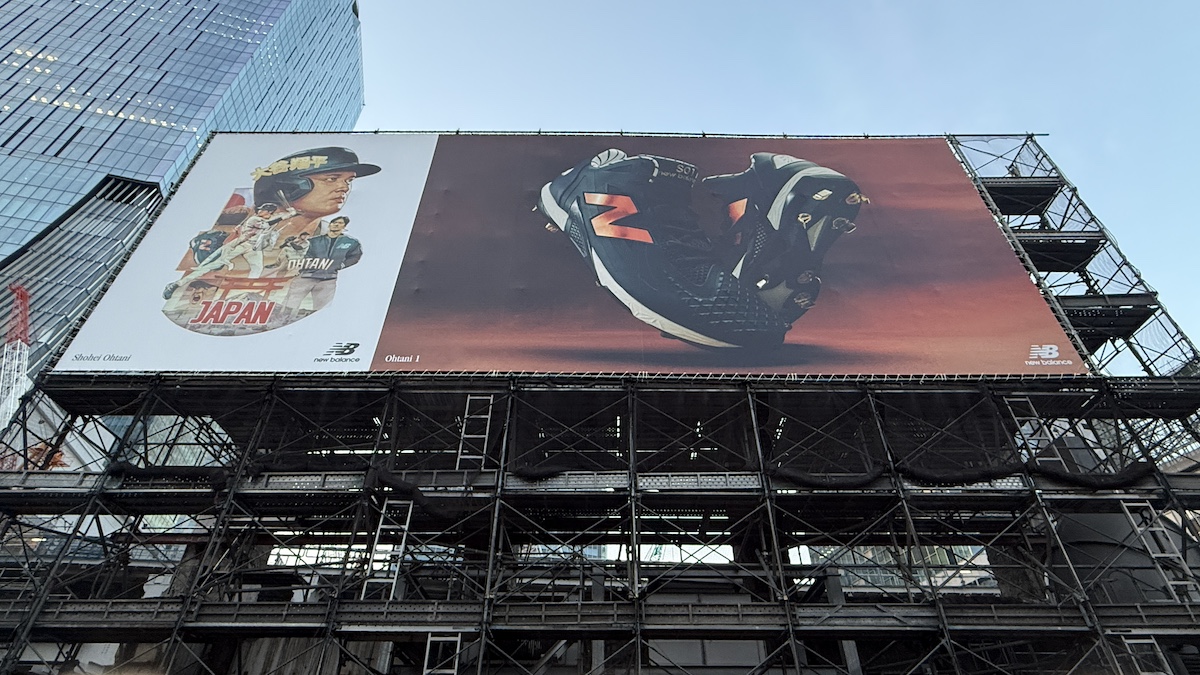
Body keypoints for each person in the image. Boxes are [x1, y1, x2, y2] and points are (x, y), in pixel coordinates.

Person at [163, 203, 291, 299]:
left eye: (263, 210)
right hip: (240, 244)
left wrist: (291, 213)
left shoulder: (269, 217)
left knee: (257, 268)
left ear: (269, 211)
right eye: (261, 209)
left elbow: (278, 217)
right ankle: (177, 284)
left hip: (254, 248)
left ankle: (246, 293)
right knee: (214, 265)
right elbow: (268, 223)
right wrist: (287, 215)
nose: (260, 211)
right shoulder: (255, 219)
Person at [277, 216, 361, 321]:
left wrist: (341, 265)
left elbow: (355, 256)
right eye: (334, 222)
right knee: (291, 302)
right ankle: (281, 320)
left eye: (340, 223)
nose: (336, 224)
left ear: (344, 226)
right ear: (329, 225)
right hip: (307, 276)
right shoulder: (314, 241)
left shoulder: (351, 242)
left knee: (322, 307)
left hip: (328, 279)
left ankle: (317, 325)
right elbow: (303, 254)